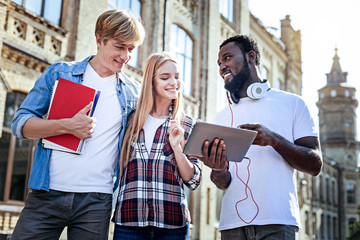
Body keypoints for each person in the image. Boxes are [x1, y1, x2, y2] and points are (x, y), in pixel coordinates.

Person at [10, 9, 145, 240]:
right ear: (99, 40)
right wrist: (66, 126)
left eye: (131, 49)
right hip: (47, 194)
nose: (126, 56)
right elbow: (20, 124)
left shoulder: (133, 93)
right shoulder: (60, 74)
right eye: (120, 47)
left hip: (96, 201)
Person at [200, 34, 323, 240]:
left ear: (250, 57)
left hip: (278, 224)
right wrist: (218, 169)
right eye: (219, 63)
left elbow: (315, 165)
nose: (222, 66)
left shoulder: (293, 104)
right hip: (232, 227)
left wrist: (274, 140)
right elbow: (221, 182)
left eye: (228, 58)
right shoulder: (221, 117)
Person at [112, 52, 202, 240]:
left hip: (172, 225)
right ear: (151, 82)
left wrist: (177, 148)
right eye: (165, 77)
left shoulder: (187, 124)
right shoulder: (130, 120)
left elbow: (193, 180)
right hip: (129, 222)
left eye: (177, 77)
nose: (173, 82)